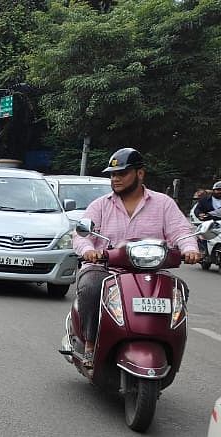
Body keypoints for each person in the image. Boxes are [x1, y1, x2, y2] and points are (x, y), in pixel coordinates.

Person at [73, 148, 202, 362]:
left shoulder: (163, 204)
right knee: (91, 285)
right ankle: (90, 340)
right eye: (113, 174)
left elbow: (181, 231)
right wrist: (89, 251)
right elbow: (80, 236)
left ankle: (165, 341)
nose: (116, 179)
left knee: (178, 290)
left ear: (140, 174)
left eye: (122, 173)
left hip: (151, 270)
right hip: (107, 269)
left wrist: (190, 250)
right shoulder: (101, 205)